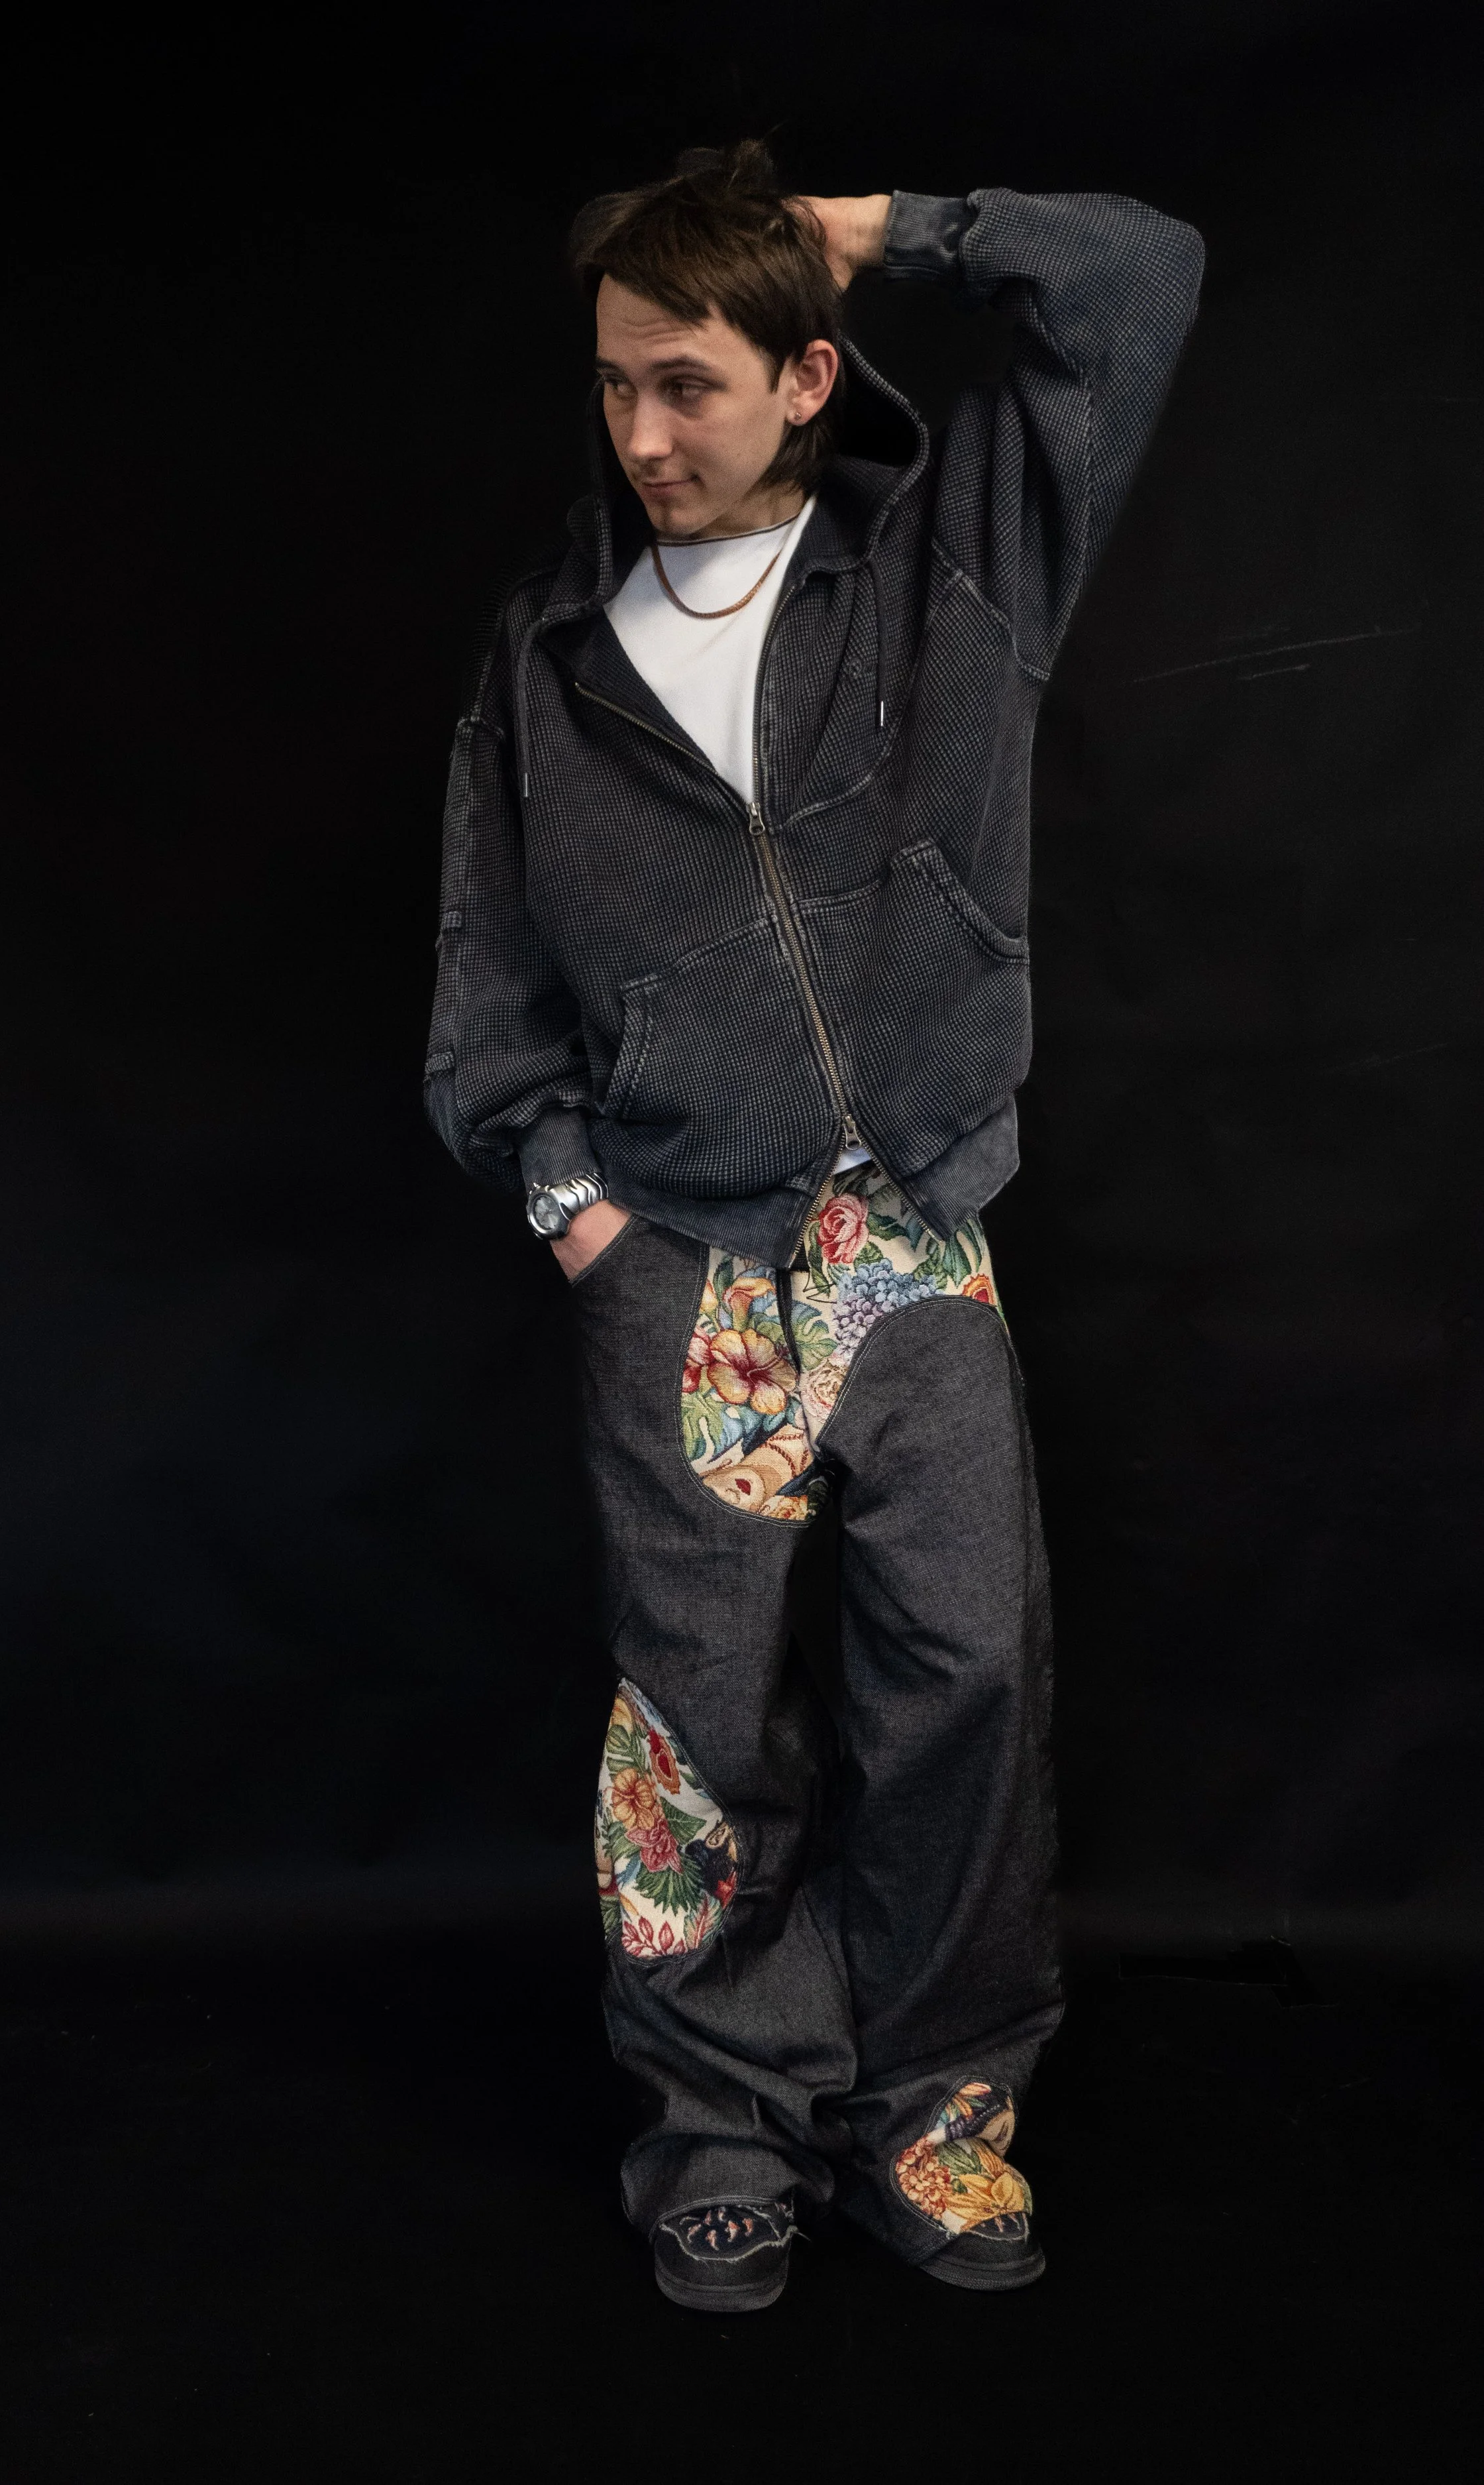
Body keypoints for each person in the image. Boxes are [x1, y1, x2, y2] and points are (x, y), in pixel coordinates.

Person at [425, 143, 1202, 2309]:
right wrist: (574, 1206)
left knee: (963, 1676)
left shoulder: (954, 558)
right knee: (698, 1726)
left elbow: (1142, 278)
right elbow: (485, 992)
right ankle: (716, 2119)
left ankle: (938, 2104)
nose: (640, 430)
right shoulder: (548, 656)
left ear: (801, 375)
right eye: (612, 383)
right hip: (671, 1253)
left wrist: (885, 231)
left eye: (684, 379)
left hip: (910, 1234)